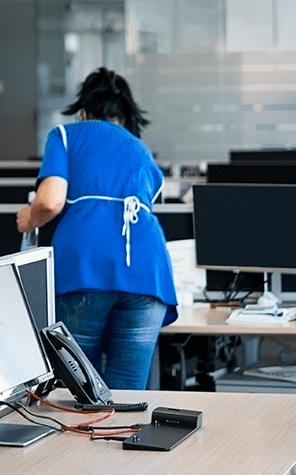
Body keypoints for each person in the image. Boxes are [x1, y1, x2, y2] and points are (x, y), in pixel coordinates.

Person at [16, 67, 177, 390]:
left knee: (80, 392)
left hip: (86, 268)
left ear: (84, 111)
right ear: (126, 114)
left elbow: (50, 202)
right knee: (126, 394)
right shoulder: (140, 151)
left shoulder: (65, 136)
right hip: (148, 274)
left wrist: (28, 219)